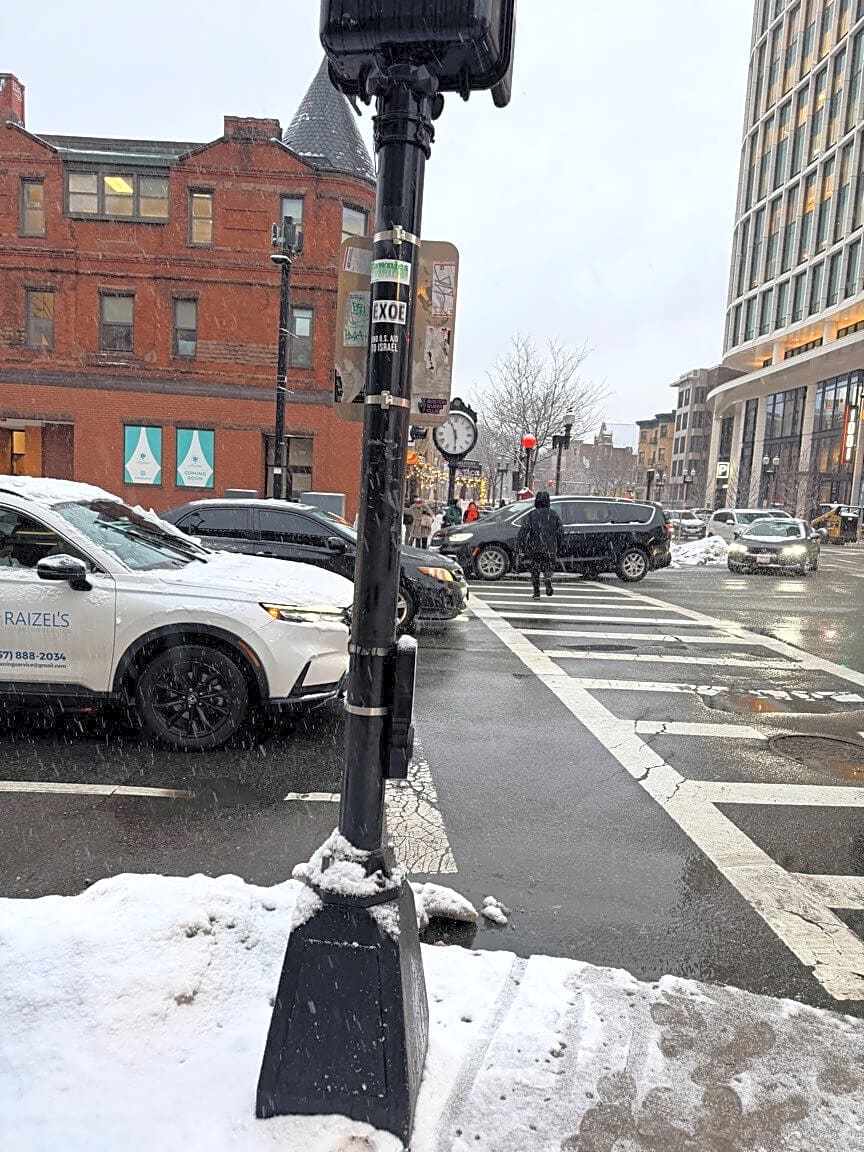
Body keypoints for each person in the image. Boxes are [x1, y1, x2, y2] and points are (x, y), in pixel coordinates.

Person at [517, 490, 564, 599]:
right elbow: (560, 532)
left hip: (535, 546)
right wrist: (558, 545)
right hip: (550, 547)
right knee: (549, 566)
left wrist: (522, 547)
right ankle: (548, 578)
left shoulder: (531, 514)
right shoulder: (553, 514)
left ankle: (536, 592)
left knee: (535, 570)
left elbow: (523, 532)